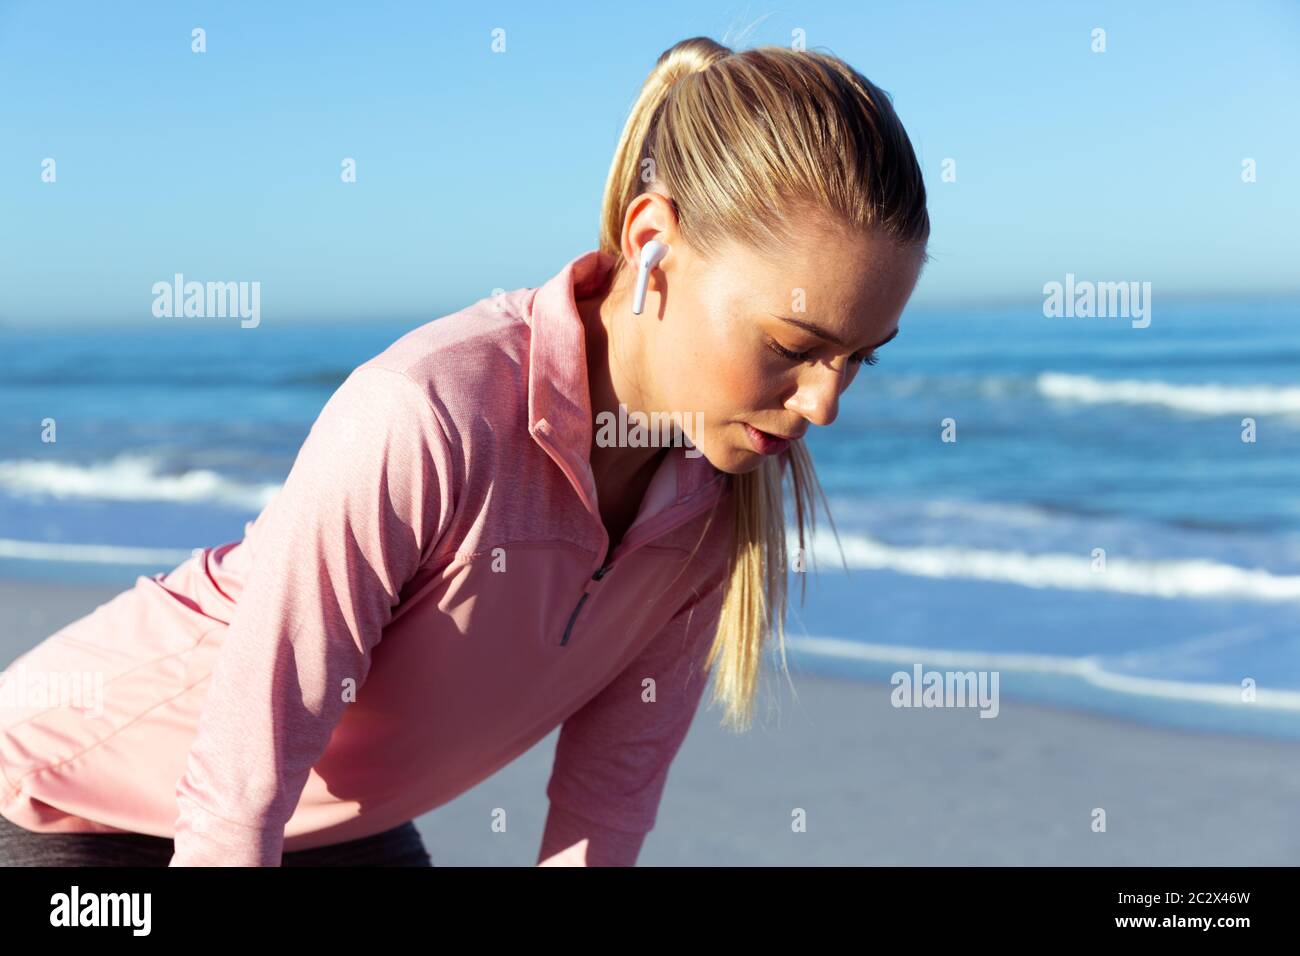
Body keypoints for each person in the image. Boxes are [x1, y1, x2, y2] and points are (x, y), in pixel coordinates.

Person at [0, 35, 928, 867]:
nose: (824, 403)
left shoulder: (713, 509)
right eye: (792, 346)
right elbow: (238, 794)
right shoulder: (429, 415)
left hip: (334, 826)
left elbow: (605, 811)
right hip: (63, 802)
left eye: (859, 359)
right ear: (654, 242)